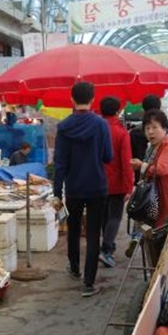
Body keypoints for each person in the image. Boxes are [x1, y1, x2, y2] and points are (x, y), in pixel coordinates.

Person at [52, 82, 113, 297]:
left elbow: (59, 163)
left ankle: (74, 267)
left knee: (74, 228)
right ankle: (88, 283)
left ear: (72, 99)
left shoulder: (64, 127)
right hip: (97, 186)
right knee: (94, 233)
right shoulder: (101, 125)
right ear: (93, 99)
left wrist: (57, 192)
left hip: (74, 187)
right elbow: (108, 156)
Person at [130, 109, 168, 229]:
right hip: (156, 198)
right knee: (152, 230)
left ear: (165, 128)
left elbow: (161, 169)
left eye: (155, 127)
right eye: (147, 128)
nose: (150, 132)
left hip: (167, 198)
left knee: (162, 232)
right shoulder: (153, 147)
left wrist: (140, 165)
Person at [99, 96, 134, 268]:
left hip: (97, 181)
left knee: (104, 216)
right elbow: (126, 161)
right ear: (117, 111)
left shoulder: (96, 130)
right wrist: (129, 185)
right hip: (116, 182)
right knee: (114, 216)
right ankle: (106, 249)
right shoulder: (121, 132)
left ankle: (108, 246)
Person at [129, 94, 161, 183]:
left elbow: (130, 158)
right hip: (160, 180)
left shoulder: (134, 133)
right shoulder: (166, 134)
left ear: (143, 109)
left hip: (140, 180)